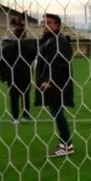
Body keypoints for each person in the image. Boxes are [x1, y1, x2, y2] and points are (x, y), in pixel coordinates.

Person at [35, 13, 76, 157]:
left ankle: (66, 145)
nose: (45, 25)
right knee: (56, 112)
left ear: (57, 25)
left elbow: (61, 63)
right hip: (52, 83)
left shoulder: (59, 40)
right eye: (43, 22)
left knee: (57, 112)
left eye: (49, 22)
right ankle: (65, 144)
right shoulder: (49, 40)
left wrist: (49, 80)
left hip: (57, 84)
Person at [0, 13, 35, 122]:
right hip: (25, 75)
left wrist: (2, 75)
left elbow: (2, 62)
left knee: (14, 97)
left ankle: (14, 117)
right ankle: (26, 115)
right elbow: (33, 59)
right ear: (24, 35)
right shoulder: (29, 46)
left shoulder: (7, 47)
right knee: (25, 95)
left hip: (12, 75)